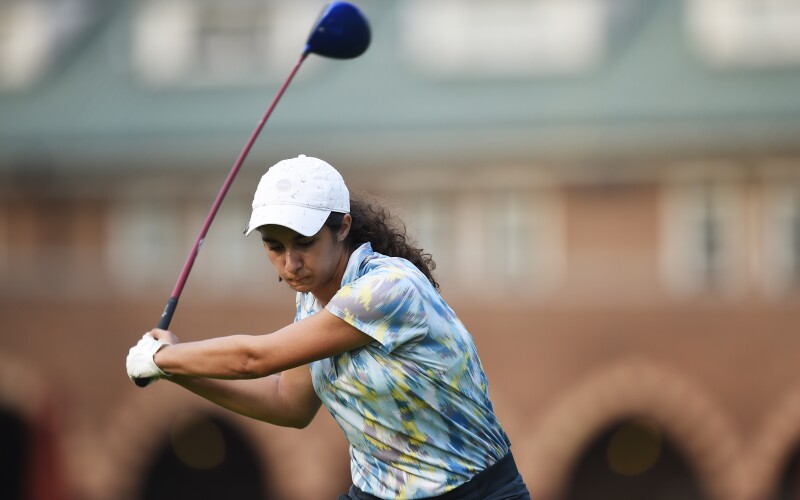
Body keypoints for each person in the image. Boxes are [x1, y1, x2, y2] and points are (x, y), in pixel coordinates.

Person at [126, 155, 530, 499]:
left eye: (303, 243)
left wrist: (166, 356)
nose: (290, 264)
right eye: (275, 246)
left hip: (475, 492)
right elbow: (289, 403)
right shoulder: (311, 299)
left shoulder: (388, 288)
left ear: (342, 228)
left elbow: (256, 358)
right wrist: (175, 370)